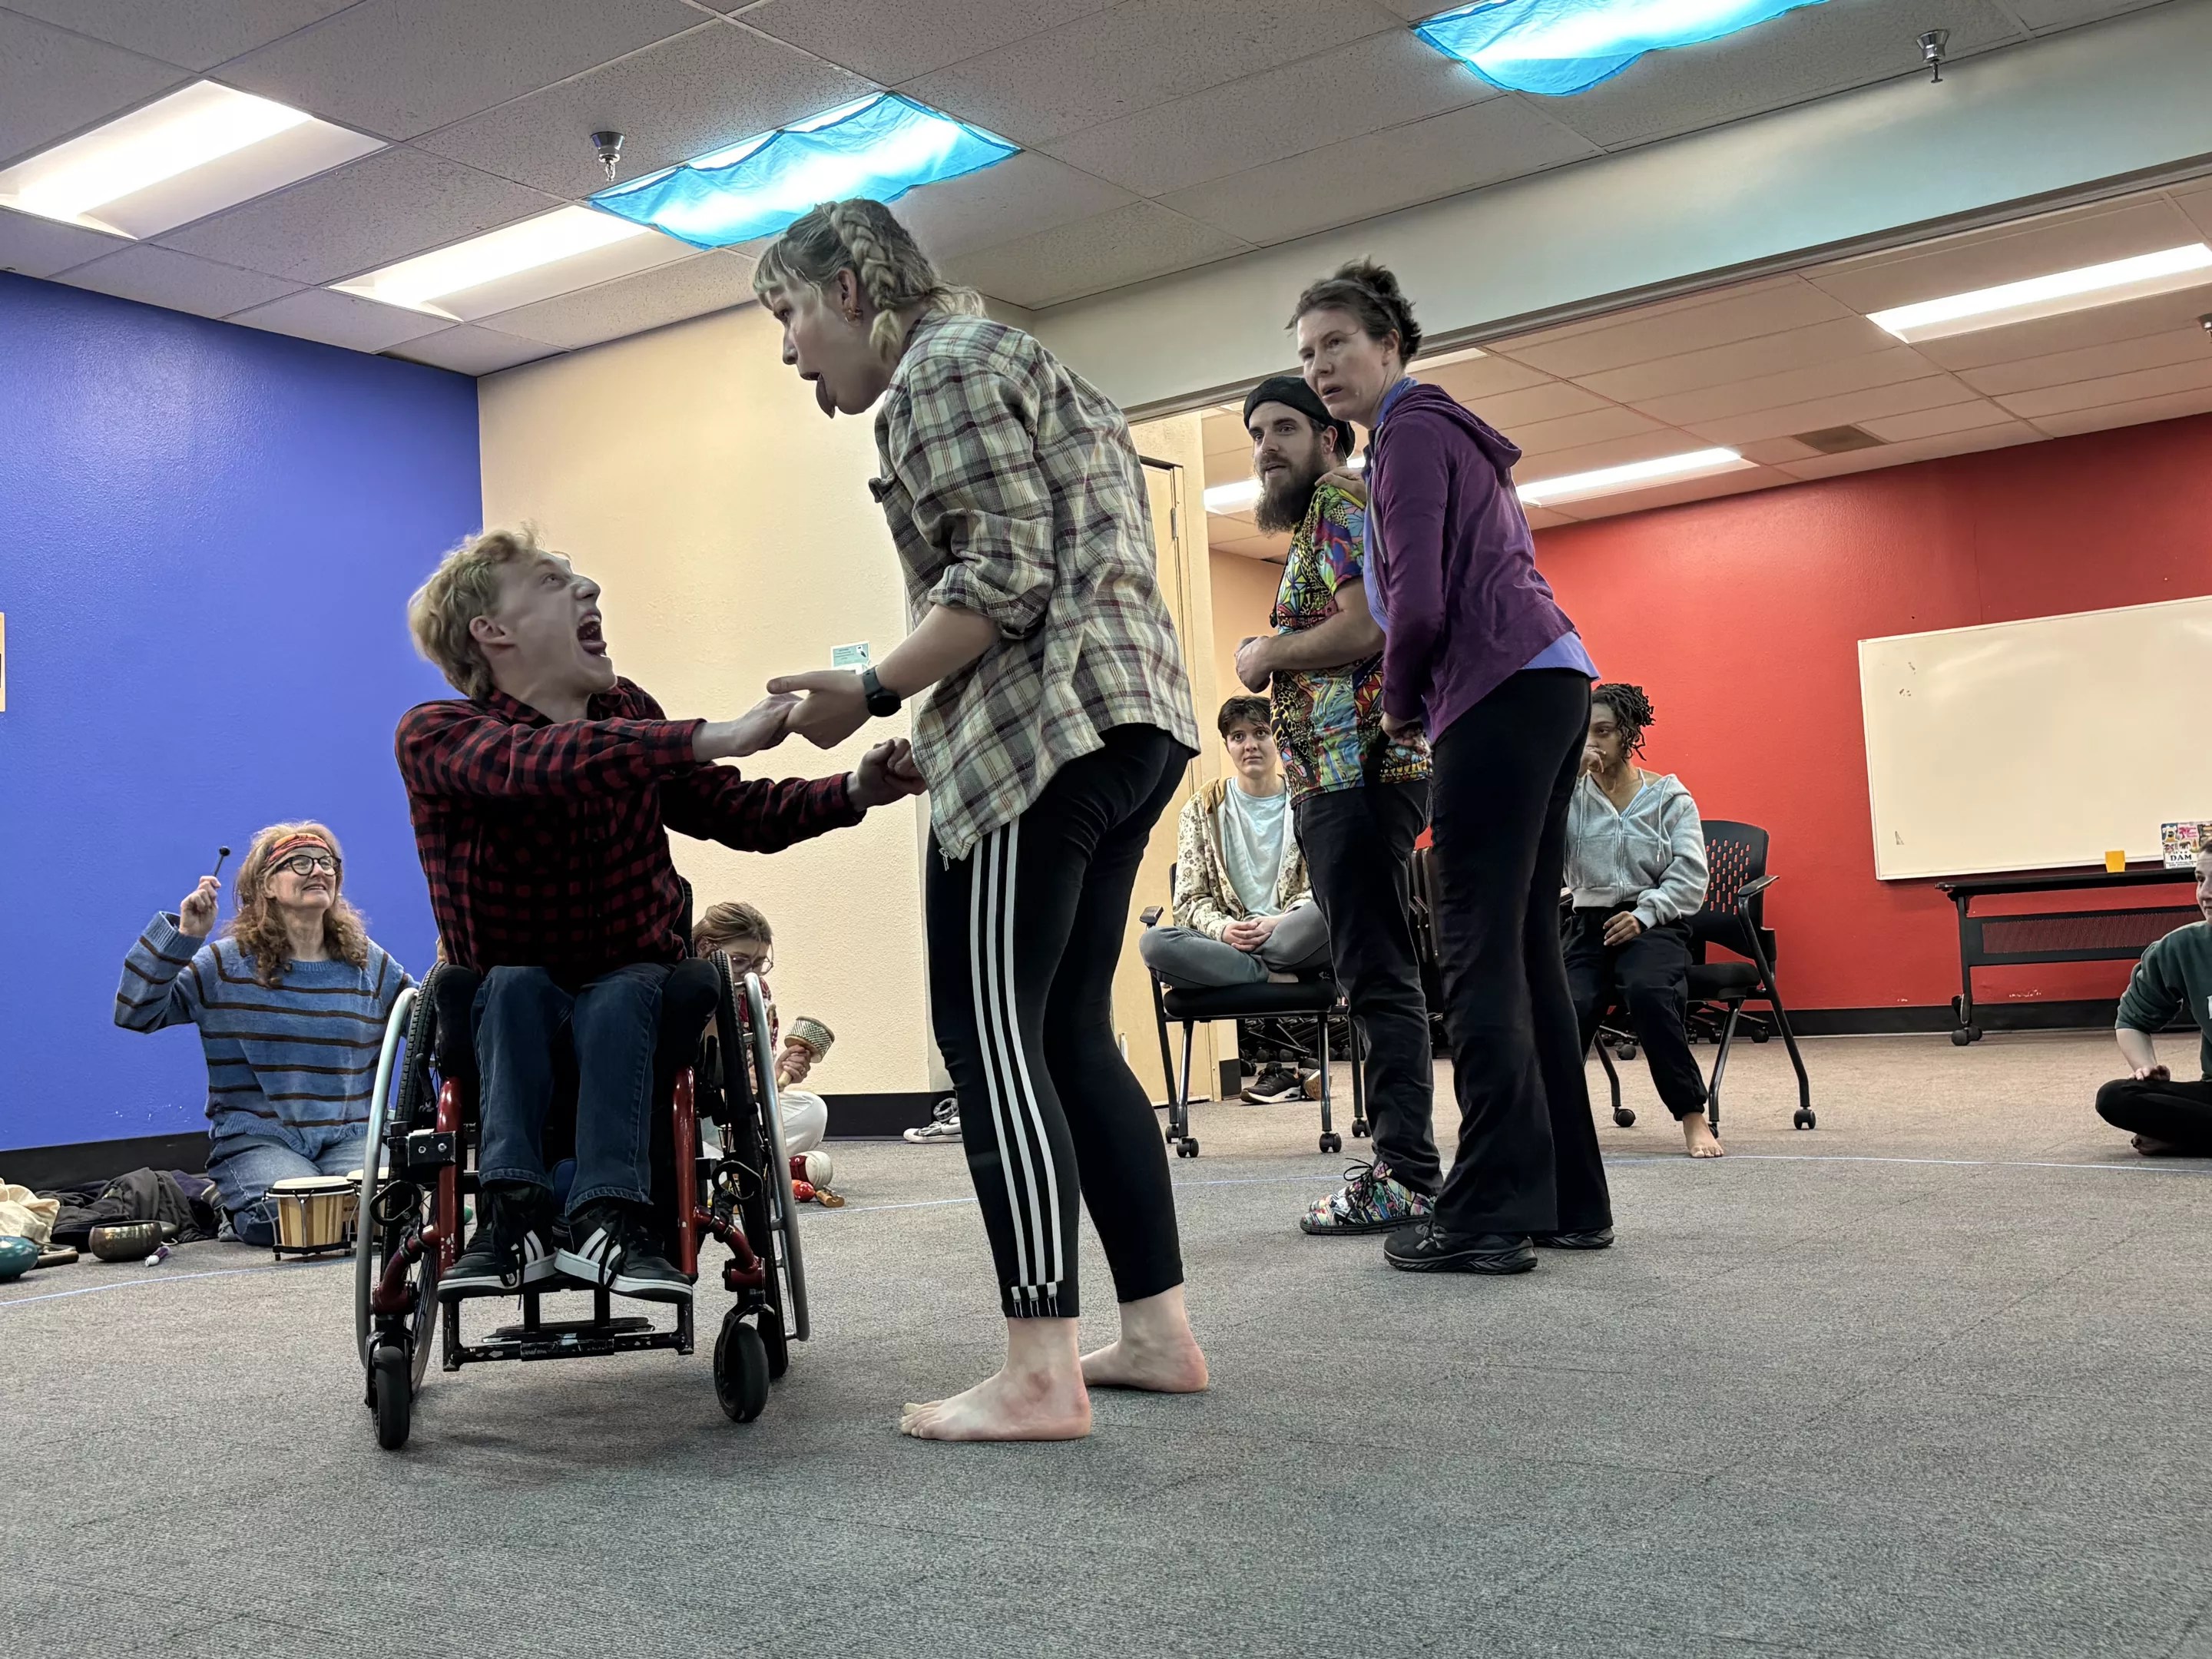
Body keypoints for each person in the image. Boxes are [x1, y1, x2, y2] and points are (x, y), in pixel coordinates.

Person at [753, 197, 1208, 1440]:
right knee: (1068, 1034)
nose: (790, 350)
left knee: (988, 1035)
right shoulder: (1023, 362)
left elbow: (1001, 582)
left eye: (790, 313)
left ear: (851, 287)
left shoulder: (938, 373)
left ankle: (1038, 1369)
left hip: (1037, 738)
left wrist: (874, 687)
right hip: (1128, 721)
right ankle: (1158, 1334)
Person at [398, 526, 919, 1304]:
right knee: (511, 986)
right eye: (551, 582)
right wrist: (710, 736)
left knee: (629, 985)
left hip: (639, 985)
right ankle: (513, 1217)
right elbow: (535, 768)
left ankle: (615, 1217)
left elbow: (733, 810)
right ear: (491, 631)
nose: (589, 591)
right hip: (506, 995)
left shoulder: (628, 710)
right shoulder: (438, 733)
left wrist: (851, 793)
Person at [1296, 260, 1613, 1276]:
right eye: (1306, 355)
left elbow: (1420, 603)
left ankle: (1483, 1214)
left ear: (1389, 345)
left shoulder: (1413, 434)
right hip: (1551, 679)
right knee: (1523, 951)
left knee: (1477, 949)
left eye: (1337, 343)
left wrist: (1396, 710)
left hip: (1497, 689)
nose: (1321, 367)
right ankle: (1565, 1197)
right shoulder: (1440, 432)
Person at [1230, 374, 1439, 1233]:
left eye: (1285, 427)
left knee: (1377, 973)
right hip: (1341, 775)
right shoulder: (1326, 514)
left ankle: (1405, 1174)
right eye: (1256, 433)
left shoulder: (1341, 507)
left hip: (1361, 770)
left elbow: (1370, 630)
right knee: (1373, 969)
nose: (1267, 445)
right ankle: (1407, 1167)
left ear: (1331, 437)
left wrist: (1266, 651)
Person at [114, 822, 410, 1245]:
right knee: (297, 1220)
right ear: (267, 885)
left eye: (327, 863)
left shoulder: (368, 962)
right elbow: (135, 1012)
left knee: (388, 1213)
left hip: (351, 1134)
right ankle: (230, 1204)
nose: (319, 871)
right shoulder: (225, 964)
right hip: (259, 1139)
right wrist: (184, 939)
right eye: (301, 863)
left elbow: (422, 1022)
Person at [1139, 695, 1330, 1103]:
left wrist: (1279, 921)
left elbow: (1325, 886)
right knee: (1154, 942)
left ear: (1277, 739)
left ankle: (1261, 967)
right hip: (1228, 943)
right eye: (1239, 736)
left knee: (1334, 911)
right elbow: (1189, 901)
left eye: (1261, 733)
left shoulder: (1307, 802)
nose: (1251, 745)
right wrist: (1225, 930)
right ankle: (1270, 976)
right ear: (1227, 744)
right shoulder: (1202, 810)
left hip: (1292, 937)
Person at [1564, 684, 1720, 1158]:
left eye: (1605, 732)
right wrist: (1564, 783)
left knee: (1650, 995)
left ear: (1628, 734)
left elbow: (1692, 877)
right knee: (1567, 1007)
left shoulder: (1668, 797)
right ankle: (1554, 1123)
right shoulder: (1569, 796)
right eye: (1585, 733)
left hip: (1652, 923)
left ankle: (1694, 1116)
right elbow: (1539, 856)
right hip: (1586, 922)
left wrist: (1645, 914)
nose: (1594, 743)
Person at [2095, 846, 2212, 1157]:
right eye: (2200, 880)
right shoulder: (2181, 947)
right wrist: (2146, 1067)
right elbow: (2132, 1020)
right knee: (2116, 1097)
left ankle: (2187, 1138)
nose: (2205, 894)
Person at [690, 900, 829, 1155]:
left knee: (812, 1111)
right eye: (739, 961)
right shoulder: (680, 989)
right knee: (702, 1160)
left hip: (733, 1113)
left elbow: (755, 1089)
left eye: (758, 964)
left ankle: (732, 1162)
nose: (750, 974)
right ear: (704, 948)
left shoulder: (758, 993)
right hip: (687, 1118)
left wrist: (773, 1074)